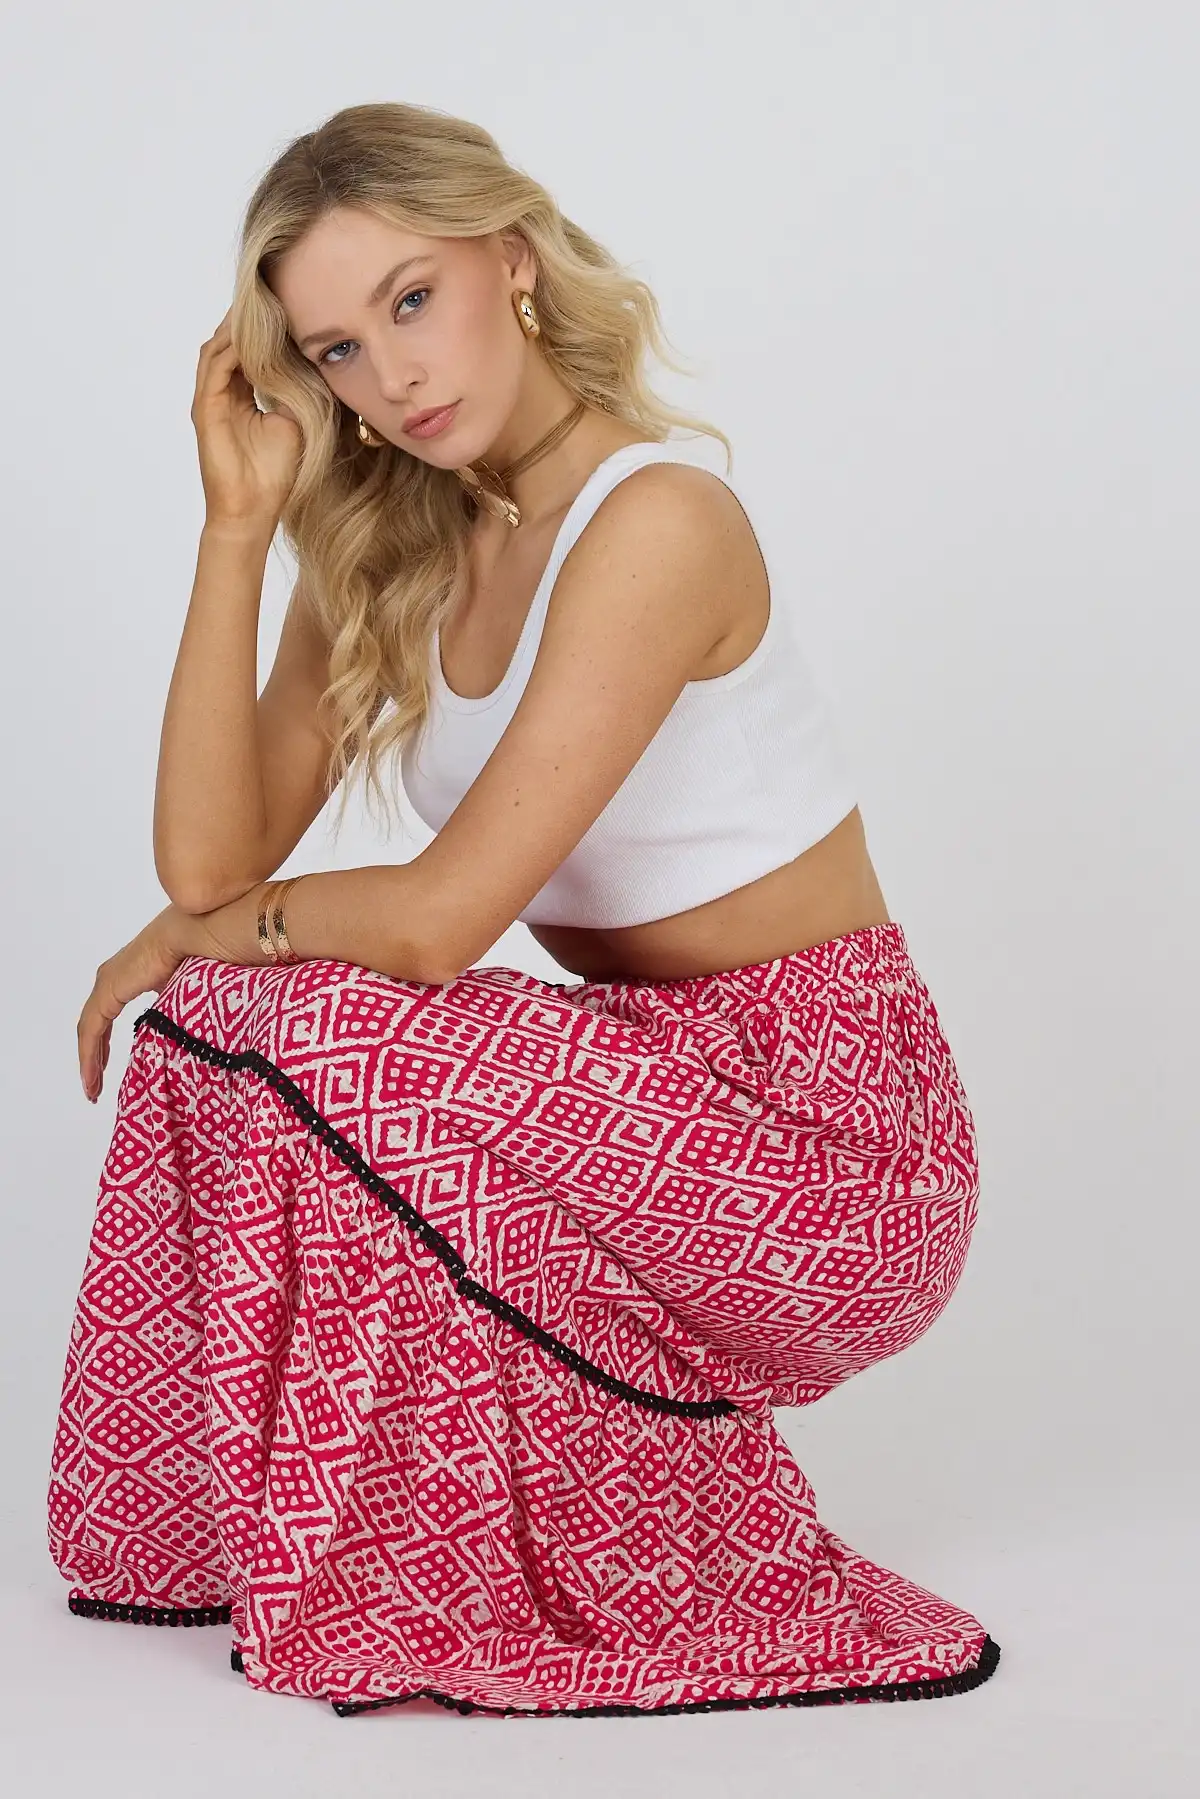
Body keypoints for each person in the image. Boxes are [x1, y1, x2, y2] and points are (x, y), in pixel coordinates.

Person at [48, 100, 1000, 1719]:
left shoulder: (659, 519)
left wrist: (200, 934)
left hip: (834, 1156)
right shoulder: (400, 542)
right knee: (223, 1018)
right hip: (642, 1093)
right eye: (340, 349)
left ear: (513, 258)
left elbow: (435, 923)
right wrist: (238, 528)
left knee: (299, 1010)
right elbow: (208, 868)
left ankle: (598, 1555)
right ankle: (326, 1535)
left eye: (413, 299)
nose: (393, 376)